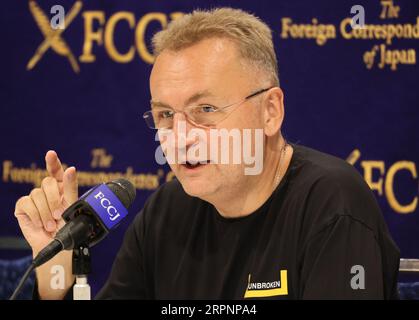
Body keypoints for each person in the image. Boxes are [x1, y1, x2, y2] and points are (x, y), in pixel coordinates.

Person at [14, 8, 400, 299]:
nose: (179, 137)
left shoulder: (331, 205)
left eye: (206, 110)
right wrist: (56, 275)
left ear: (271, 111)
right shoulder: (169, 208)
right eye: (165, 114)